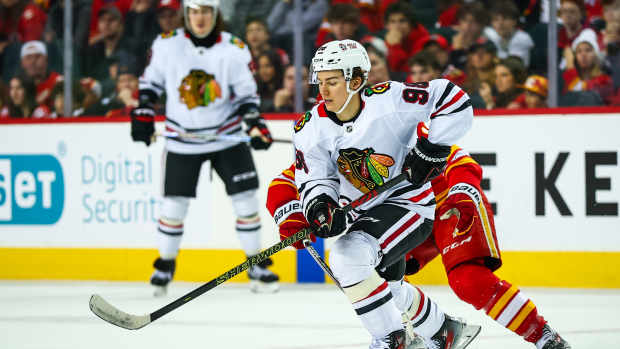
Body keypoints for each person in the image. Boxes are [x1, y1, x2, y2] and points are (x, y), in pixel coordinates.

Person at [266, 131, 572, 349]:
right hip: (398, 215)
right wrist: (292, 217)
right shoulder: (324, 146)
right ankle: (442, 330)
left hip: (447, 204)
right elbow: (283, 184)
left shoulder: (385, 123)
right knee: (380, 282)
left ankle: (544, 337)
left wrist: (463, 189)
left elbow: (455, 157)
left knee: (469, 281)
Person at [290, 39, 479, 349]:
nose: (323, 91)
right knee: (383, 288)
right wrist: (320, 206)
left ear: (355, 80)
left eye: (333, 82)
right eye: (321, 81)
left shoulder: (390, 100)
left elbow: (452, 98)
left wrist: (434, 146)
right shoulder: (309, 127)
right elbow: (315, 178)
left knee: (347, 257)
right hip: (366, 213)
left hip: (409, 204)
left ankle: (393, 340)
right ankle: (444, 331)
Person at [131, 0, 279, 296]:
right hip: (182, 139)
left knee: (247, 200)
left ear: (216, 14)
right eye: (195, 11)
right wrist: (144, 111)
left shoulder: (233, 48)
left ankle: (257, 264)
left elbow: (246, 97)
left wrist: (254, 124)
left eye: (207, 12)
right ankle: (165, 265)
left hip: (225, 136)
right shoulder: (167, 45)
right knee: (174, 206)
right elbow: (150, 85)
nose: (200, 18)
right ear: (186, 14)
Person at [483, 0, 534, 67]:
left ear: (514, 21)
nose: (500, 23)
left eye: (505, 19)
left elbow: (513, 66)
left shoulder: (523, 38)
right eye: (496, 19)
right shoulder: (490, 35)